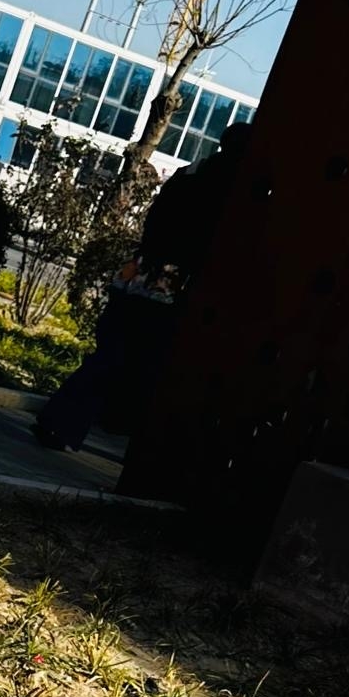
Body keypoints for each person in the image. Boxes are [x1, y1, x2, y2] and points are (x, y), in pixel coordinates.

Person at [33, 120, 251, 451]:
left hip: (141, 274)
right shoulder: (233, 187)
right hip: (173, 285)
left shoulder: (188, 173)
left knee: (110, 353)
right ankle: (89, 425)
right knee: (142, 363)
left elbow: (154, 221)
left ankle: (61, 421)